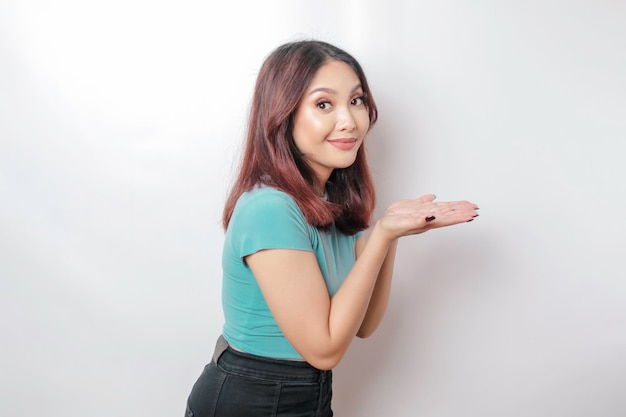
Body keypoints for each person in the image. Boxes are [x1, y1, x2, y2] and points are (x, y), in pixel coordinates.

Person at [185, 39, 479, 417]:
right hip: (250, 397)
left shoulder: (331, 202)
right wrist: (383, 236)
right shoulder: (269, 208)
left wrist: (387, 235)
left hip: (309, 396)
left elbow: (365, 324)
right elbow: (324, 349)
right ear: (283, 114)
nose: (349, 120)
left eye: (356, 101)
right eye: (324, 104)